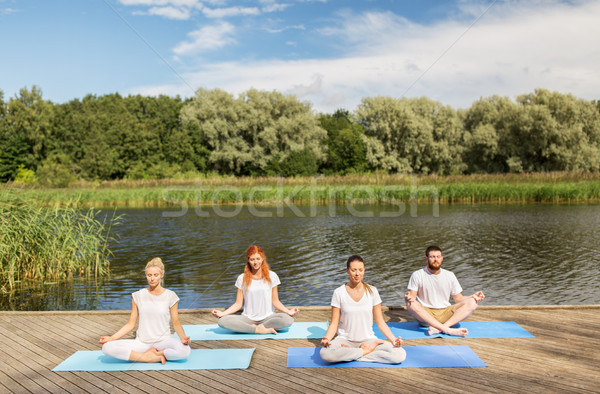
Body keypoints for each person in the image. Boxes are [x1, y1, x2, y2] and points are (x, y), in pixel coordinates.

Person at [99, 258, 191, 364]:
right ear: (146, 276)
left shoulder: (170, 296)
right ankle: (147, 357)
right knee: (107, 347)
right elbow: (130, 324)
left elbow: (176, 322)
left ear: (161, 275)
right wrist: (112, 338)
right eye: (149, 275)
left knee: (185, 350)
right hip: (142, 343)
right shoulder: (138, 296)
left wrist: (183, 338)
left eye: (155, 275)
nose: (152, 279)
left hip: (164, 341)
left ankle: (158, 353)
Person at [320, 255, 406, 364]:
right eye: (353, 270)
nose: (357, 274)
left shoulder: (373, 291)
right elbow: (334, 323)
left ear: (364, 270)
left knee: (400, 354)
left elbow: (381, 323)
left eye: (360, 270)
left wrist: (394, 340)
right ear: (347, 271)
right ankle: (363, 352)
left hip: (369, 340)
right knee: (325, 354)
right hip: (344, 340)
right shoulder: (339, 292)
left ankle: (355, 353)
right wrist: (326, 339)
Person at [211, 245, 299, 334]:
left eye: (258, 259)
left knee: (288, 320)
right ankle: (256, 329)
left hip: (268, 318)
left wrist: (288, 311)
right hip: (248, 318)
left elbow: (275, 301)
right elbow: (238, 304)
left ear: (262, 258)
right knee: (222, 321)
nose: (255, 262)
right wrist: (222, 314)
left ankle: (253, 328)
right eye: (252, 259)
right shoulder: (242, 278)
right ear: (248, 261)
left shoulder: (272, 276)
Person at [405, 245, 485, 337]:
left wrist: (473, 296)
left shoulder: (449, 275)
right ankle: (448, 330)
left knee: (472, 302)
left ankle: (442, 328)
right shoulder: (417, 275)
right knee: (411, 304)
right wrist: (408, 297)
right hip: (426, 316)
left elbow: (459, 298)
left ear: (442, 258)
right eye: (432, 257)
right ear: (427, 259)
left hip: (446, 314)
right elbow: (412, 296)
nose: (436, 259)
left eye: (438, 257)